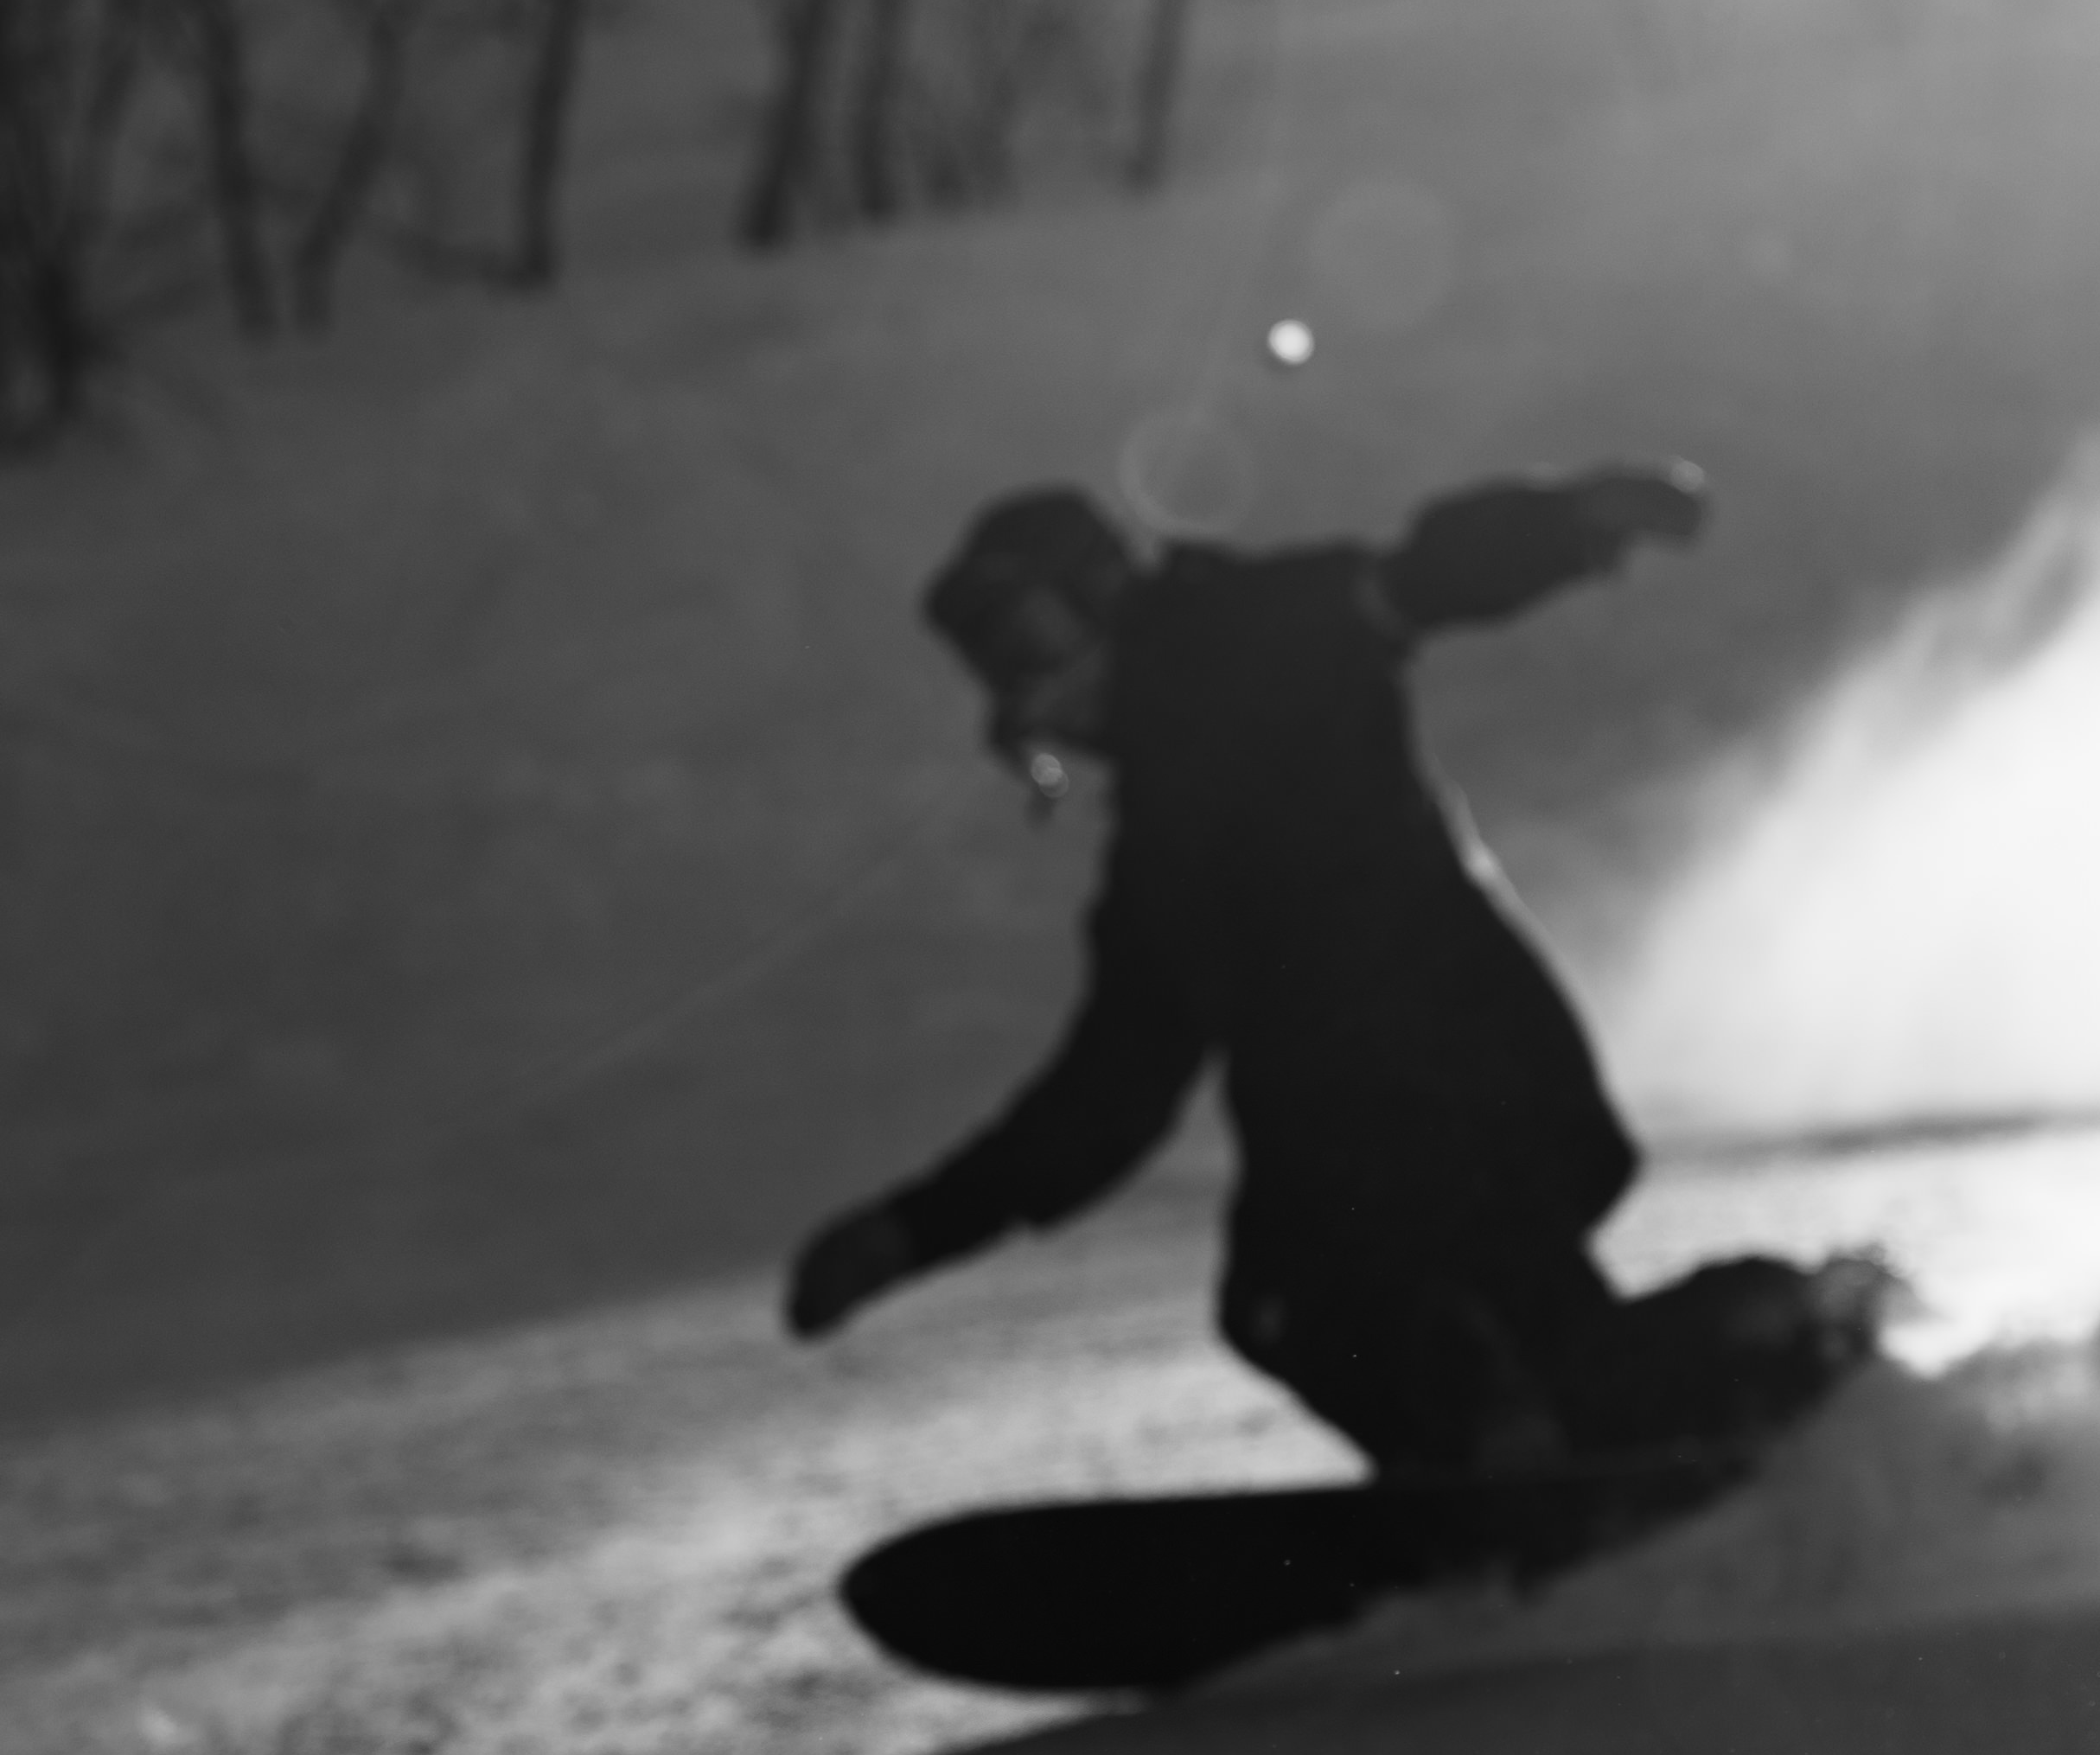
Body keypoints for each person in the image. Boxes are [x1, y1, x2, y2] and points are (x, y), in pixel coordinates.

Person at [783, 468, 1883, 1477]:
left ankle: (1568, 1427)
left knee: (1307, 1296)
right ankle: (1704, 1397)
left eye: (1029, 637)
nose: (1028, 683)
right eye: (995, 661)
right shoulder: (1159, 855)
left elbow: (1418, 581)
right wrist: (916, 1229)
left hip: (1463, 1098)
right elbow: (1113, 1087)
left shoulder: (1250, 634)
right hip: (1415, 1121)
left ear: (1101, 591)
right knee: (1446, 1322)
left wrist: (1563, 527)